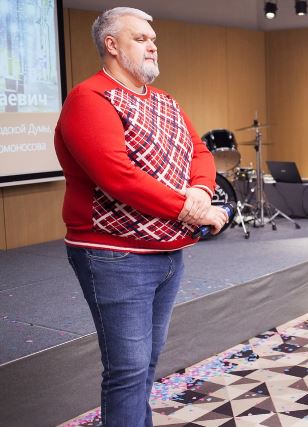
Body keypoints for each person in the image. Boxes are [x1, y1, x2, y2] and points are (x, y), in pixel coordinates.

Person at [54, 7, 228, 426]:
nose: (152, 45)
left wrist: (201, 191)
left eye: (153, 39)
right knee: (128, 370)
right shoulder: (89, 98)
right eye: (140, 38)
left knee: (146, 362)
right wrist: (191, 209)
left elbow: (199, 152)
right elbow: (119, 178)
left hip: (168, 251)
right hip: (115, 255)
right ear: (111, 45)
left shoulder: (165, 100)